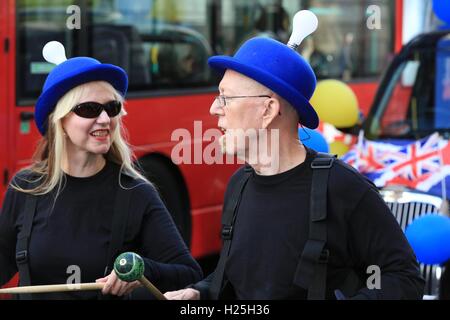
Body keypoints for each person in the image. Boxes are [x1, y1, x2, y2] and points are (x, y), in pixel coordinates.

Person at [164, 36, 425, 300]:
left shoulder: (343, 189)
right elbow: (235, 279)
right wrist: (199, 294)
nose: (213, 108)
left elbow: (404, 277)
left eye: (225, 98)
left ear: (268, 110)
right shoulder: (238, 185)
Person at [0, 42, 202, 300]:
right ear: (59, 121)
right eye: (89, 109)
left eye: (112, 107)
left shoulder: (136, 193)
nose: (105, 119)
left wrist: (140, 270)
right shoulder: (25, 186)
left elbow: (188, 274)